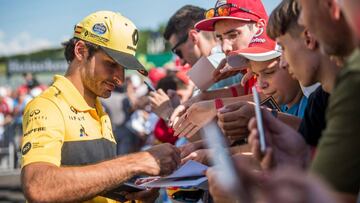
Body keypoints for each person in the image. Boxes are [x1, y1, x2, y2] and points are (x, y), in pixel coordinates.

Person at [21, 11, 180, 203]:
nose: (120, 78)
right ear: (80, 51)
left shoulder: (99, 109)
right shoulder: (48, 107)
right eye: (111, 64)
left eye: (123, 68)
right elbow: (38, 186)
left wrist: (136, 195)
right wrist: (138, 161)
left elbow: (98, 184)